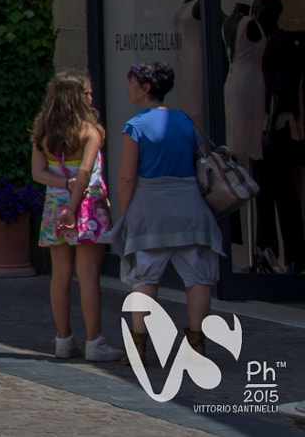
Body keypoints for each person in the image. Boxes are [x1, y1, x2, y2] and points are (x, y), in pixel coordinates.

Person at [115, 61, 228, 366]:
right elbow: (198, 162)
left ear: (146, 88)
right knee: (197, 278)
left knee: (146, 278)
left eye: (131, 82)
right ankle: (198, 346)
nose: (127, 86)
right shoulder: (186, 122)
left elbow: (127, 177)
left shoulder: (136, 127)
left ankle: (138, 348)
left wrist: (125, 215)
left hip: (151, 211)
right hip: (190, 208)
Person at [33, 69, 124, 362]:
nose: (91, 96)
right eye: (86, 92)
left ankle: (63, 340)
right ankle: (94, 342)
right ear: (77, 98)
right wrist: (73, 204)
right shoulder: (90, 131)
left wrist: (62, 186)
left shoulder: (43, 133)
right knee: (88, 277)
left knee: (59, 276)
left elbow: (38, 173)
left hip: (53, 207)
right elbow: (86, 171)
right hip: (86, 209)